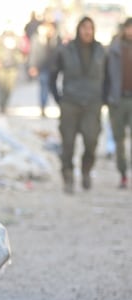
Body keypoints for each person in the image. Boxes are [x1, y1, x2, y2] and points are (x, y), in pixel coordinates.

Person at [49, 16, 106, 194]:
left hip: (92, 103)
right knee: (68, 143)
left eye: (90, 28)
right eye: (84, 27)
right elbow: (53, 74)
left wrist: (104, 98)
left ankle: (86, 170)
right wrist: (59, 99)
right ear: (78, 29)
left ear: (94, 30)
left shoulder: (101, 51)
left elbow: (110, 76)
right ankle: (68, 176)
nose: (87, 31)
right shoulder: (66, 50)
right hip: (70, 103)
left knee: (91, 141)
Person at [105, 18, 132, 188]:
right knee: (120, 140)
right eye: (128, 28)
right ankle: (123, 174)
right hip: (118, 100)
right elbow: (105, 76)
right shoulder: (113, 50)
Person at [0, 29, 26, 114]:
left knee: (9, 88)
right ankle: (2, 106)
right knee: (1, 87)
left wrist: (20, 59)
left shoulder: (18, 40)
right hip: (0, 67)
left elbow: (24, 51)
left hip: (13, 67)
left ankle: (5, 104)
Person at [28, 20, 61, 117]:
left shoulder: (56, 39)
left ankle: (47, 104)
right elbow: (33, 53)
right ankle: (43, 106)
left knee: (50, 87)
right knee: (44, 86)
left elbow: (60, 53)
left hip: (53, 68)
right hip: (41, 67)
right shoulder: (37, 38)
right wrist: (32, 66)